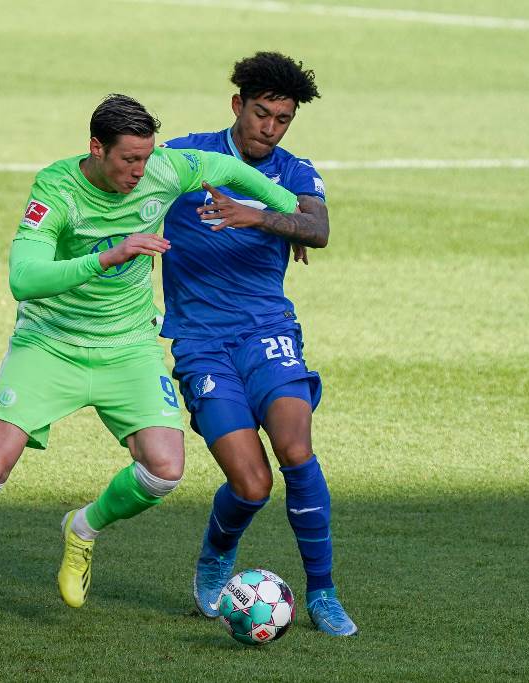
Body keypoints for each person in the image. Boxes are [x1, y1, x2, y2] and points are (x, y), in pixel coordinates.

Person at [0, 94, 299, 634]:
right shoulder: (56, 188)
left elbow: (221, 167)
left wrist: (286, 209)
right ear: (95, 148)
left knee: (165, 471)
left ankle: (83, 527)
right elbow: (24, 276)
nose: (140, 171)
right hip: (50, 343)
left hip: (128, 345)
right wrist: (109, 255)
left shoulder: (163, 170)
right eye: (129, 159)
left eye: (146, 158)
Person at [160, 53, 358, 636]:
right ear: (237, 106)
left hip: (267, 330)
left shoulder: (294, 173)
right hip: (200, 342)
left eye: (283, 119)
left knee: (296, 450)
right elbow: (127, 187)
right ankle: (216, 559)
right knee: (252, 484)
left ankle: (323, 593)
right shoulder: (187, 155)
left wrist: (261, 216)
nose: (269, 129)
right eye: (262, 113)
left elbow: (317, 229)